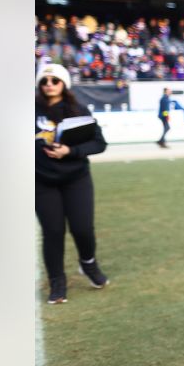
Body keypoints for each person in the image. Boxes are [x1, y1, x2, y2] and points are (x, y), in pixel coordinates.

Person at [35, 63, 109, 304]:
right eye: (44, 82)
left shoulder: (78, 110)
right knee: (53, 232)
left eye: (54, 81)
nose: (49, 86)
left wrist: (70, 150)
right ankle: (58, 283)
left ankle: (88, 263)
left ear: (64, 83)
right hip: (41, 181)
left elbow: (99, 144)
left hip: (76, 178)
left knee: (82, 228)